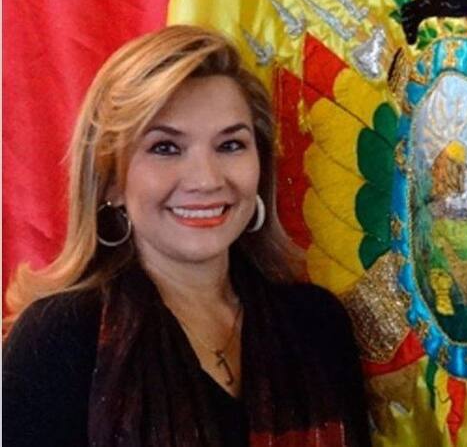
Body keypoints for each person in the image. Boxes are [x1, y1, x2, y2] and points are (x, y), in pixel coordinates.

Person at [3, 25, 370, 447]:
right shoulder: (58, 337)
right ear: (111, 181)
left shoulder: (318, 325)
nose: (206, 180)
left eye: (230, 145)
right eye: (166, 148)